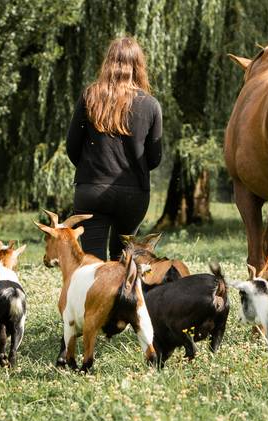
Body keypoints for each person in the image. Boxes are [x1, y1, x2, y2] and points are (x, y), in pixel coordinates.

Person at [66, 36, 163, 261]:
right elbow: (154, 158)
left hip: (92, 189)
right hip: (133, 193)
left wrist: (92, 172)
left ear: (108, 63)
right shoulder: (151, 105)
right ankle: (122, 296)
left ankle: (96, 296)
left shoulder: (89, 96)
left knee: (93, 262)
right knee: (123, 260)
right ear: (138, 66)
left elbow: (72, 146)